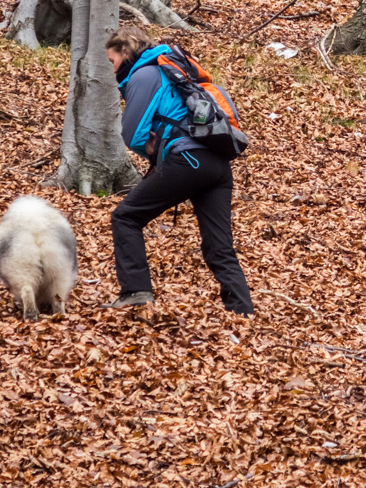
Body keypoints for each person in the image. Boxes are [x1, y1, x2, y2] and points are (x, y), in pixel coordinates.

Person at [101, 26, 254, 317]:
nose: (113, 70)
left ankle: (136, 291)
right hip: (218, 166)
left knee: (126, 217)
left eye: (112, 61)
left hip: (188, 161)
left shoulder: (145, 74)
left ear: (125, 51)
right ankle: (242, 312)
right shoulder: (178, 71)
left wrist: (150, 148)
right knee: (219, 247)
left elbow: (131, 133)